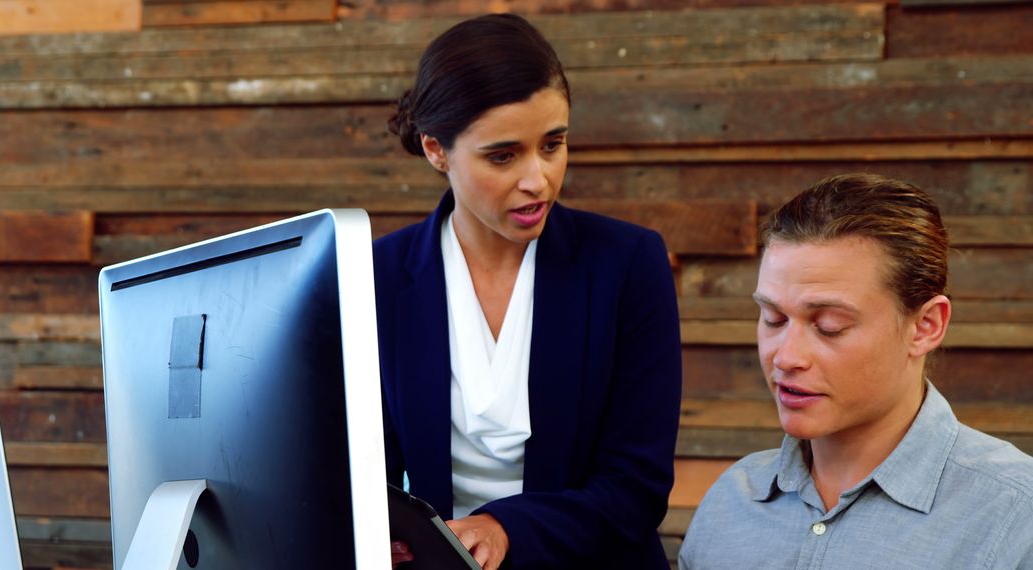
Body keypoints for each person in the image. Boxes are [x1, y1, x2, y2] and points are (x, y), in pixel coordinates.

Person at [373, 13, 682, 570]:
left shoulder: (627, 264)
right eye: (503, 155)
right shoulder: (378, 276)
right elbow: (360, 468)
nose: (538, 179)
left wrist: (504, 527)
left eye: (553, 144)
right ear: (435, 150)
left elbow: (637, 484)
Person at [678, 174, 1033, 568]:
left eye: (829, 325)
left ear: (925, 326)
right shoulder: (732, 501)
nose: (785, 357)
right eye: (773, 318)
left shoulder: (1016, 516)